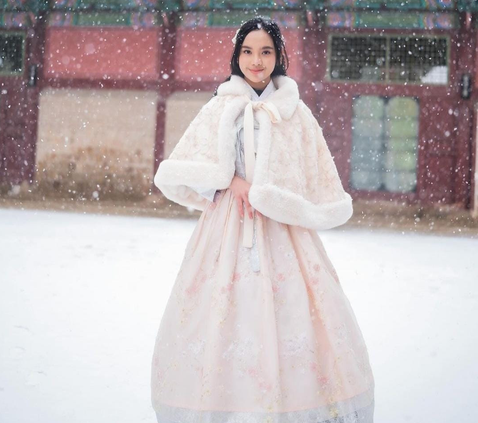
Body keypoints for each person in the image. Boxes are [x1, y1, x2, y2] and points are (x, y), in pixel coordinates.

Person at [151, 16, 375, 423]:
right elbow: (190, 166)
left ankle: (293, 403)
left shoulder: (293, 111)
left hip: (282, 233)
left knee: (295, 313)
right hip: (227, 230)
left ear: (278, 56)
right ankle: (227, 403)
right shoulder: (221, 107)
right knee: (222, 311)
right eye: (248, 52)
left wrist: (279, 196)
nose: (257, 61)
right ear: (237, 57)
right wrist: (231, 182)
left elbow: (310, 168)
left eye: (266, 51)